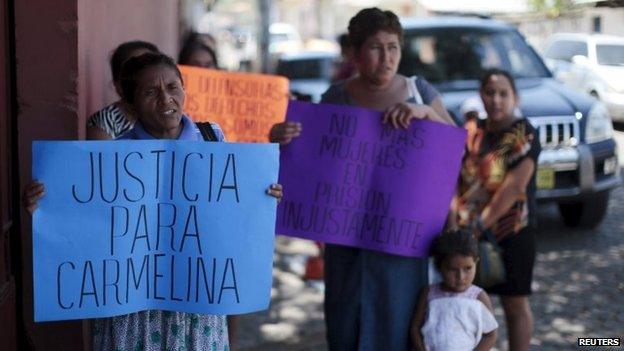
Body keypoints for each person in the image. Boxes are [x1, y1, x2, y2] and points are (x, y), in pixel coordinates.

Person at [23, 52, 283, 351]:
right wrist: (46, 208)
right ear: (131, 105)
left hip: (196, 307)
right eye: (150, 92)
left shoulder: (213, 140)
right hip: (132, 312)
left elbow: (232, 214)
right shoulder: (111, 156)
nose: (165, 99)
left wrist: (263, 198)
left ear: (184, 89)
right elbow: (86, 227)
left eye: (173, 87)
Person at [270, 8, 455, 350]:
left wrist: (425, 114)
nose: (386, 58)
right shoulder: (337, 97)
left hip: (403, 243)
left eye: (393, 47)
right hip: (348, 243)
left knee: (402, 324)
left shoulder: (419, 91)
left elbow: (454, 149)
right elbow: (309, 164)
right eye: (375, 48)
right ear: (354, 53)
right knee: (348, 325)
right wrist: (282, 139)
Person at [449, 68, 541, 351]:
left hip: (511, 231)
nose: (496, 100)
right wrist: (455, 222)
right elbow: (452, 175)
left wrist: (477, 227)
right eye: (490, 93)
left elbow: (513, 189)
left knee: (514, 304)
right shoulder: (473, 133)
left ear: (515, 96)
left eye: (503, 94)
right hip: (468, 236)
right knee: (470, 304)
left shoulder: (524, 135)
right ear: (481, 96)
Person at [411, 230, 498, 351]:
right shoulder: (429, 293)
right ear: (439, 266)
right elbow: (415, 328)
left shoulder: (478, 296)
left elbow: (491, 334)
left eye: (467, 268)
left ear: (476, 263)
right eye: (452, 269)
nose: (461, 277)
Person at [86, 40, 160, 140]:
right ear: (118, 84)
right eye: (135, 71)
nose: (146, 79)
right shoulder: (105, 122)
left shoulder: (168, 114)